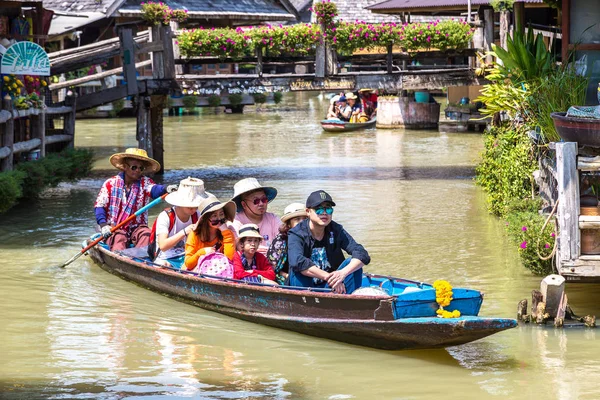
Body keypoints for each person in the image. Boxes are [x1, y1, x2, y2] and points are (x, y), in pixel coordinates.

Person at [287, 190, 370, 294]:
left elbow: (362, 253)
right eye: (319, 209)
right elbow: (297, 261)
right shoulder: (296, 233)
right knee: (297, 268)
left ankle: (347, 301)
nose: (324, 213)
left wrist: (342, 274)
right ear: (308, 212)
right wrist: (330, 277)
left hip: (331, 286)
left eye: (328, 209)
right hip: (305, 286)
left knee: (353, 264)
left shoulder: (336, 229)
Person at [94, 148, 176, 251]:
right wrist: (103, 225)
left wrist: (166, 189)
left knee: (146, 234)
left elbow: (154, 190)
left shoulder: (145, 183)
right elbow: (99, 206)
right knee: (119, 237)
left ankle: (141, 260)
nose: (137, 170)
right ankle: (120, 258)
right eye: (134, 167)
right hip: (114, 227)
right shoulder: (110, 183)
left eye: (140, 168)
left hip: (137, 226)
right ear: (124, 167)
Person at [150, 177, 209, 267]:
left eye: (196, 206)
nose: (194, 209)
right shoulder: (165, 216)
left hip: (187, 256)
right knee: (162, 265)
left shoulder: (197, 215)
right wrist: (184, 232)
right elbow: (163, 245)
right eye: (190, 206)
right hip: (166, 258)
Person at [184, 195, 236, 271]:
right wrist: (201, 253)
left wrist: (226, 233)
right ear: (205, 219)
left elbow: (229, 259)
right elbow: (188, 264)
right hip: (198, 270)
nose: (219, 219)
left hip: (220, 271)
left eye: (221, 214)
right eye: (214, 216)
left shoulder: (228, 233)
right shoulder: (195, 234)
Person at [231, 178, 280, 255]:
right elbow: (238, 248)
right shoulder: (236, 222)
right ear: (244, 204)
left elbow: (282, 242)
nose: (261, 204)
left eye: (264, 199)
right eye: (256, 201)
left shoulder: (273, 218)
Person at [266, 203, 307, 284]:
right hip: (283, 276)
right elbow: (273, 267)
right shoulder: (281, 240)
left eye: (305, 219)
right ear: (289, 224)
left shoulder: (311, 236)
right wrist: (287, 275)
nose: (302, 223)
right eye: (297, 219)